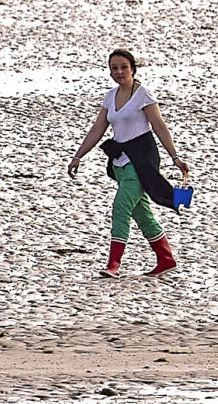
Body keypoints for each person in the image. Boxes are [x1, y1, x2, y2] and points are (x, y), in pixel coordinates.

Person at [64, 49, 191, 277]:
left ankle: (113, 265)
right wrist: (78, 156)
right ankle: (166, 259)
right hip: (120, 164)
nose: (119, 72)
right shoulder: (110, 96)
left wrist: (175, 157)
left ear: (132, 68)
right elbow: (98, 128)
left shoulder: (143, 95)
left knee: (121, 208)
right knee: (142, 213)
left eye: (124, 67)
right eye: (114, 68)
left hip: (140, 162)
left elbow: (160, 126)